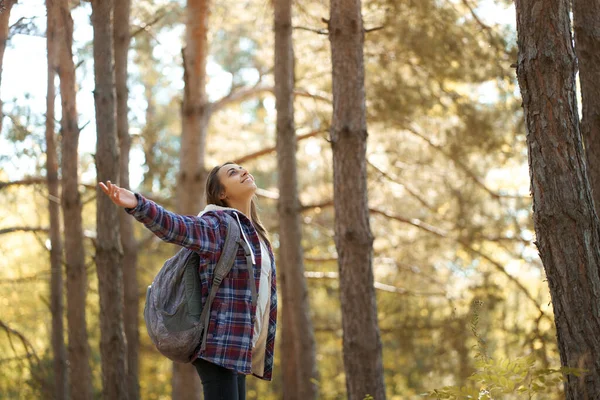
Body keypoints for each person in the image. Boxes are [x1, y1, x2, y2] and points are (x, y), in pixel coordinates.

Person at [99, 162, 277, 400]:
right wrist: (137, 204)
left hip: (238, 347)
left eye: (242, 168)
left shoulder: (257, 236)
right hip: (217, 345)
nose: (244, 171)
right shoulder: (219, 224)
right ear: (221, 193)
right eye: (233, 173)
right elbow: (177, 227)